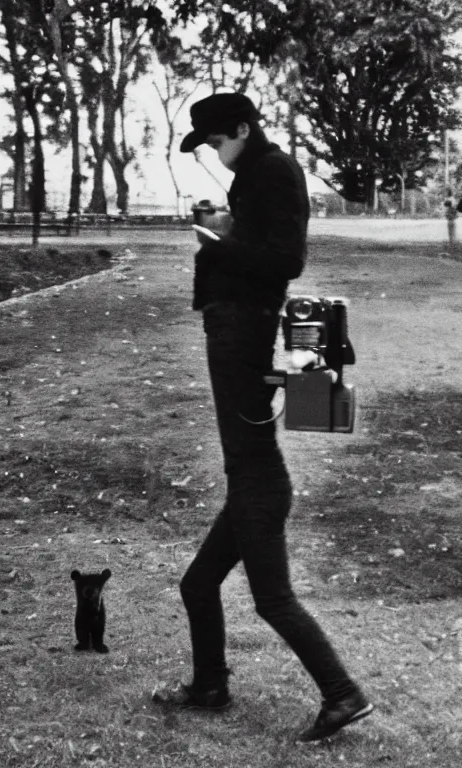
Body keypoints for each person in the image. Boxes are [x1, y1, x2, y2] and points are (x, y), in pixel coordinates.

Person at [152, 92, 373, 742]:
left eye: (218, 142)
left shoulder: (273, 173)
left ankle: (342, 693)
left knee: (273, 598)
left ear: (243, 130)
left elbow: (286, 261)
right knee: (199, 586)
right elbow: (265, 258)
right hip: (252, 486)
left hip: (258, 493)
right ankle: (211, 686)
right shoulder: (257, 178)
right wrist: (228, 231)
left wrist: (221, 245)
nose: (216, 156)